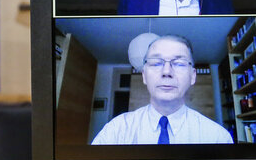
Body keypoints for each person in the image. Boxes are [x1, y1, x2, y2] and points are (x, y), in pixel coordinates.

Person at [92, 35, 233, 144]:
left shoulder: (217, 137)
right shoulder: (116, 131)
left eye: (178, 63)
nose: (167, 71)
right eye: (156, 63)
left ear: (193, 76)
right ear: (144, 76)